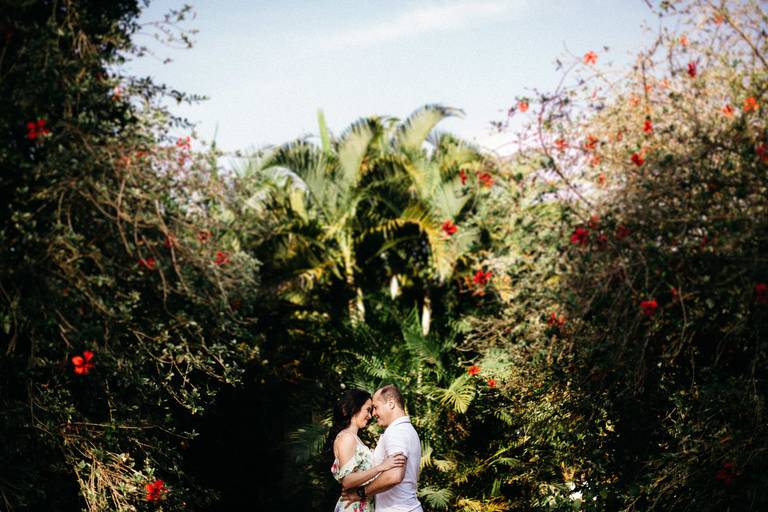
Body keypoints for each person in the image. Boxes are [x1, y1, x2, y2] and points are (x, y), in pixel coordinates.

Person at [342, 384, 423, 512]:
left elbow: (394, 475)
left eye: (376, 407)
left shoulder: (397, 431)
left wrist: (361, 493)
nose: (373, 413)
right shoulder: (407, 430)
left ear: (391, 403)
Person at [329, 388, 407, 512]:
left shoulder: (354, 438)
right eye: (368, 410)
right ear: (354, 408)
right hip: (352, 507)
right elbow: (347, 481)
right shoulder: (346, 438)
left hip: (362, 504)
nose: (370, 416)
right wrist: (381, 467)